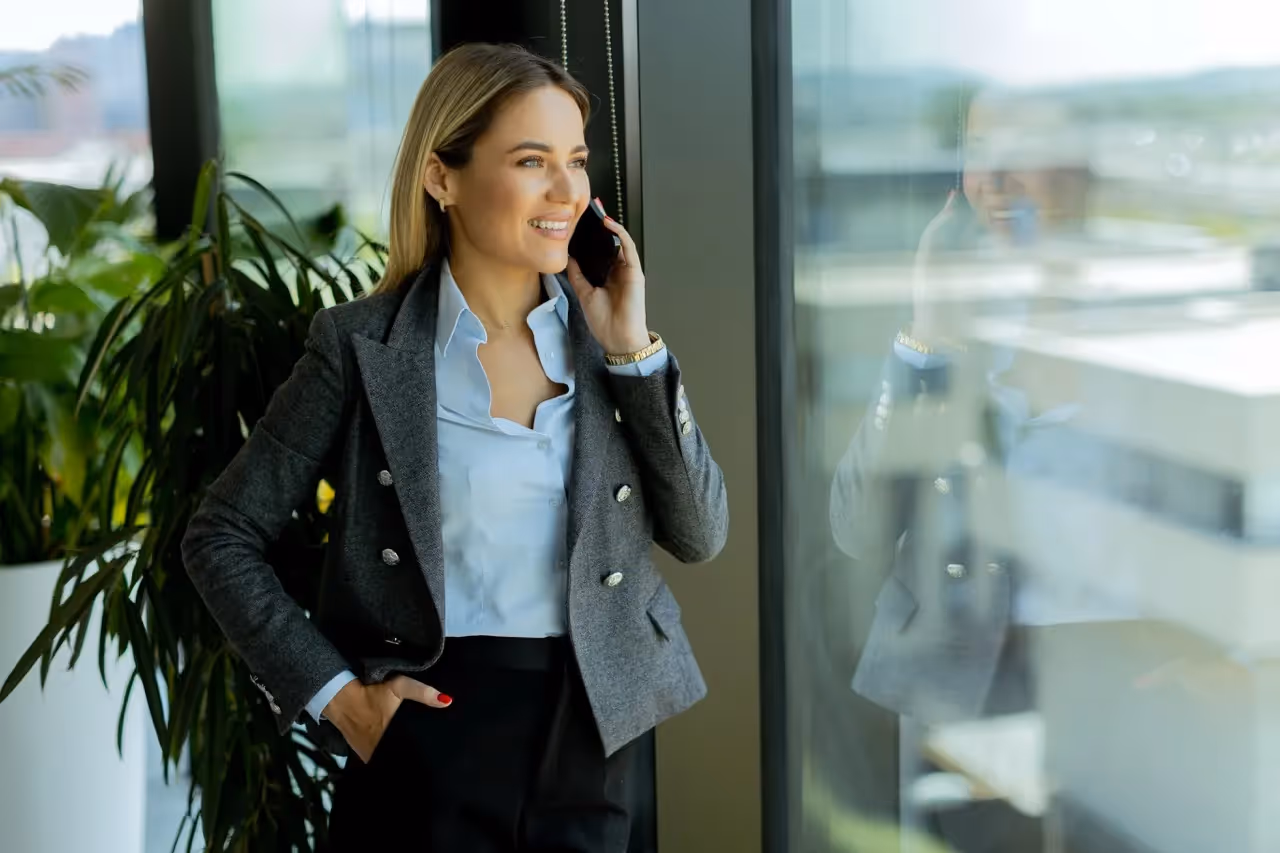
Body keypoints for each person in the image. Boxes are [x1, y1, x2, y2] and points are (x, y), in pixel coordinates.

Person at [181, 42, 727, 851]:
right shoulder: (362, 346)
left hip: (598, 730)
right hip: (430, 732)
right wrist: (340, 696)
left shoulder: (609, 343)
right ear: (443, 176)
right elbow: (219, 536)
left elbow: (699, 532)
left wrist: (633, 349)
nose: (566, 190)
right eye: (531, 160)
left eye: (575, 160)